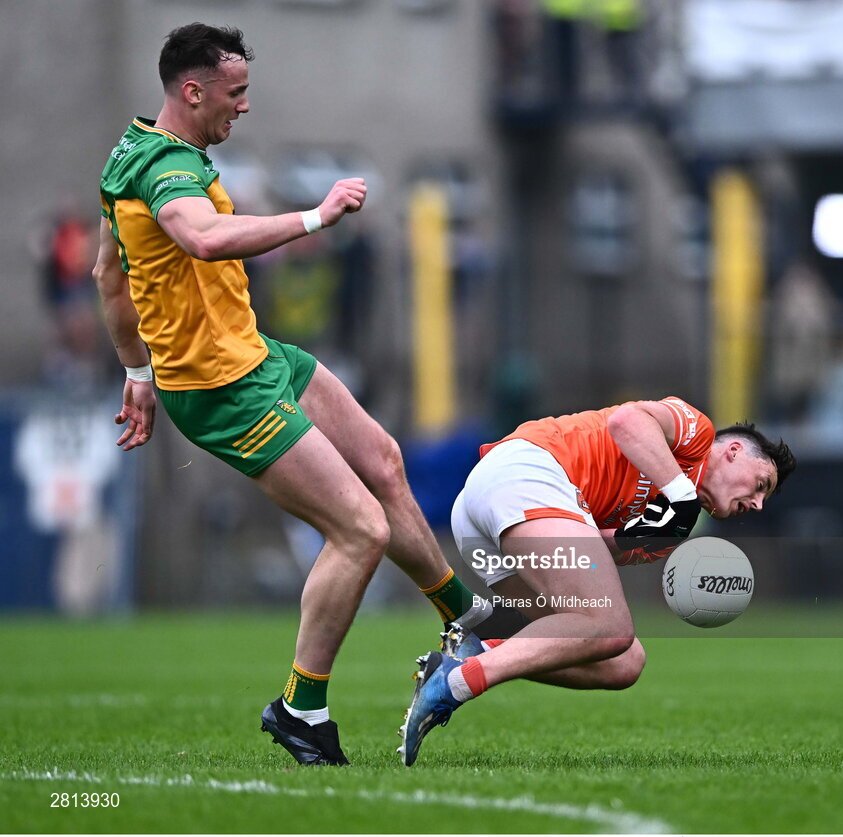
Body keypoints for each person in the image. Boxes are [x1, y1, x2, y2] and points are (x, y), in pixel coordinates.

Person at [92, 22, 489, 767]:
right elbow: (205, 238)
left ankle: (465, 617)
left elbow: (109, 278)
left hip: (254, 356)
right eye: (235, 94)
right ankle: (300, 707)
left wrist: (137, 372)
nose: (244, 107)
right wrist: (317, 216)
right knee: (360, 529)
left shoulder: (132, 151)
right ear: (193, 90)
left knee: (385, 459)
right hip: (221, 389)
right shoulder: (163, 168)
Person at [398, 396, 795, 765]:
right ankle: (457, 682)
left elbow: (593, 551)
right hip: (528, 472)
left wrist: (633, 535)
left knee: (624, 662)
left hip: (490, 521)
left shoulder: (672, 531)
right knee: (610, 627)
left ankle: (479, 642)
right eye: (761, 485)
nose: (757, 504)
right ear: (733, 451)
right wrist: (681, 497)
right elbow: (627, 421)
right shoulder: (698, 433)